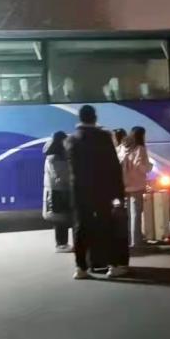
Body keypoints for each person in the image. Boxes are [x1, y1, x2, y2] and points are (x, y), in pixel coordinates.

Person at [66, 106, 127, 279]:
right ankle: (113, 266)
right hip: (102, 191)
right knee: (107, 226)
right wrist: (119, 194)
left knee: (81, 228)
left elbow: (72, 170)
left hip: (80, 192)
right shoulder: (103, 137)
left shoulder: (72, 140)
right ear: (95, 117)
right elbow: (114, 167)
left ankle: (81, 268)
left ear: (80, 118)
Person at [118, 126, 152, 247]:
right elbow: (141, 166)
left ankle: (128, 239)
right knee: (136, 214)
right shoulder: (140, 149)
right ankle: (136, 241)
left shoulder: (121, 147)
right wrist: (150, 167)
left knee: (127, 214)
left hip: (123, 184)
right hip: (136, 185)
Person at [43, 131, 72, 252]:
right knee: (60, 218)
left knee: (61, 217)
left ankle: (62, 243)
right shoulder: (56, 156)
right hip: (58, 191)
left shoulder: (53, 154)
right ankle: (61, 244)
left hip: (57, 190)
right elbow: (60, 176)